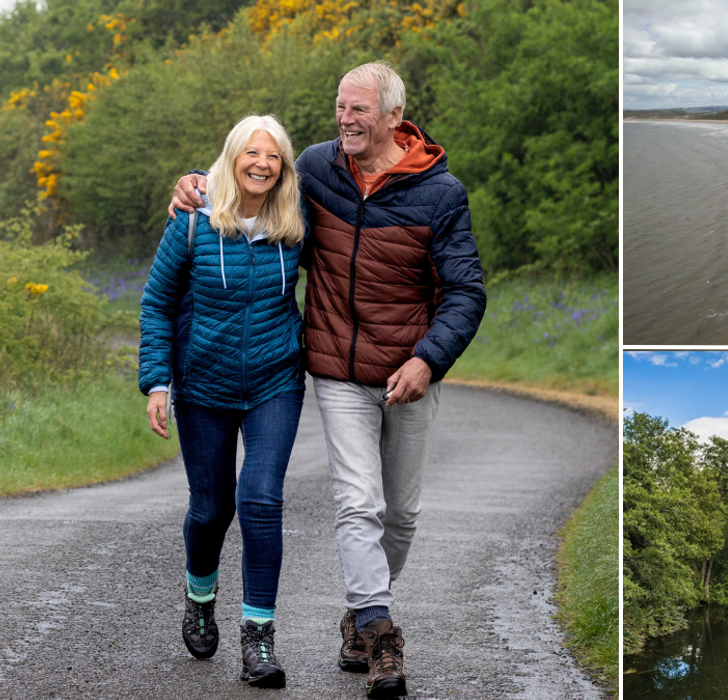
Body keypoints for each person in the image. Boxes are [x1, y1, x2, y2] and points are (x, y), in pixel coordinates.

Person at [171, 61, 486, 700]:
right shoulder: (317, 167)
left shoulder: (441, 193)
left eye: (358, 110)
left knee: (400, 514)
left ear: (395, 117)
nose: (344, 120)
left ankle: (356, 615)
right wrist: (196, 182)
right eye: (340, 107)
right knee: (356, 502)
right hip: (337, 372)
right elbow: (250, 170)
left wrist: (428, 359)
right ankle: (379, 630)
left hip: (409, 374)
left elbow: (466, 291)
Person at [142, 114, 306, 689]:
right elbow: (157, 304)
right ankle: (200, 595)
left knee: (260, 499)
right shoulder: (193, 220)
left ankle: (258, 637)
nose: (262, 164)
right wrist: (157, 382)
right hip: (203, 386)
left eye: (274, 156)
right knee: (211, 508)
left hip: (275, 383)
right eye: (251, 153)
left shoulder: (296, 221)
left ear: (284, 166)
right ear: (232, 157)